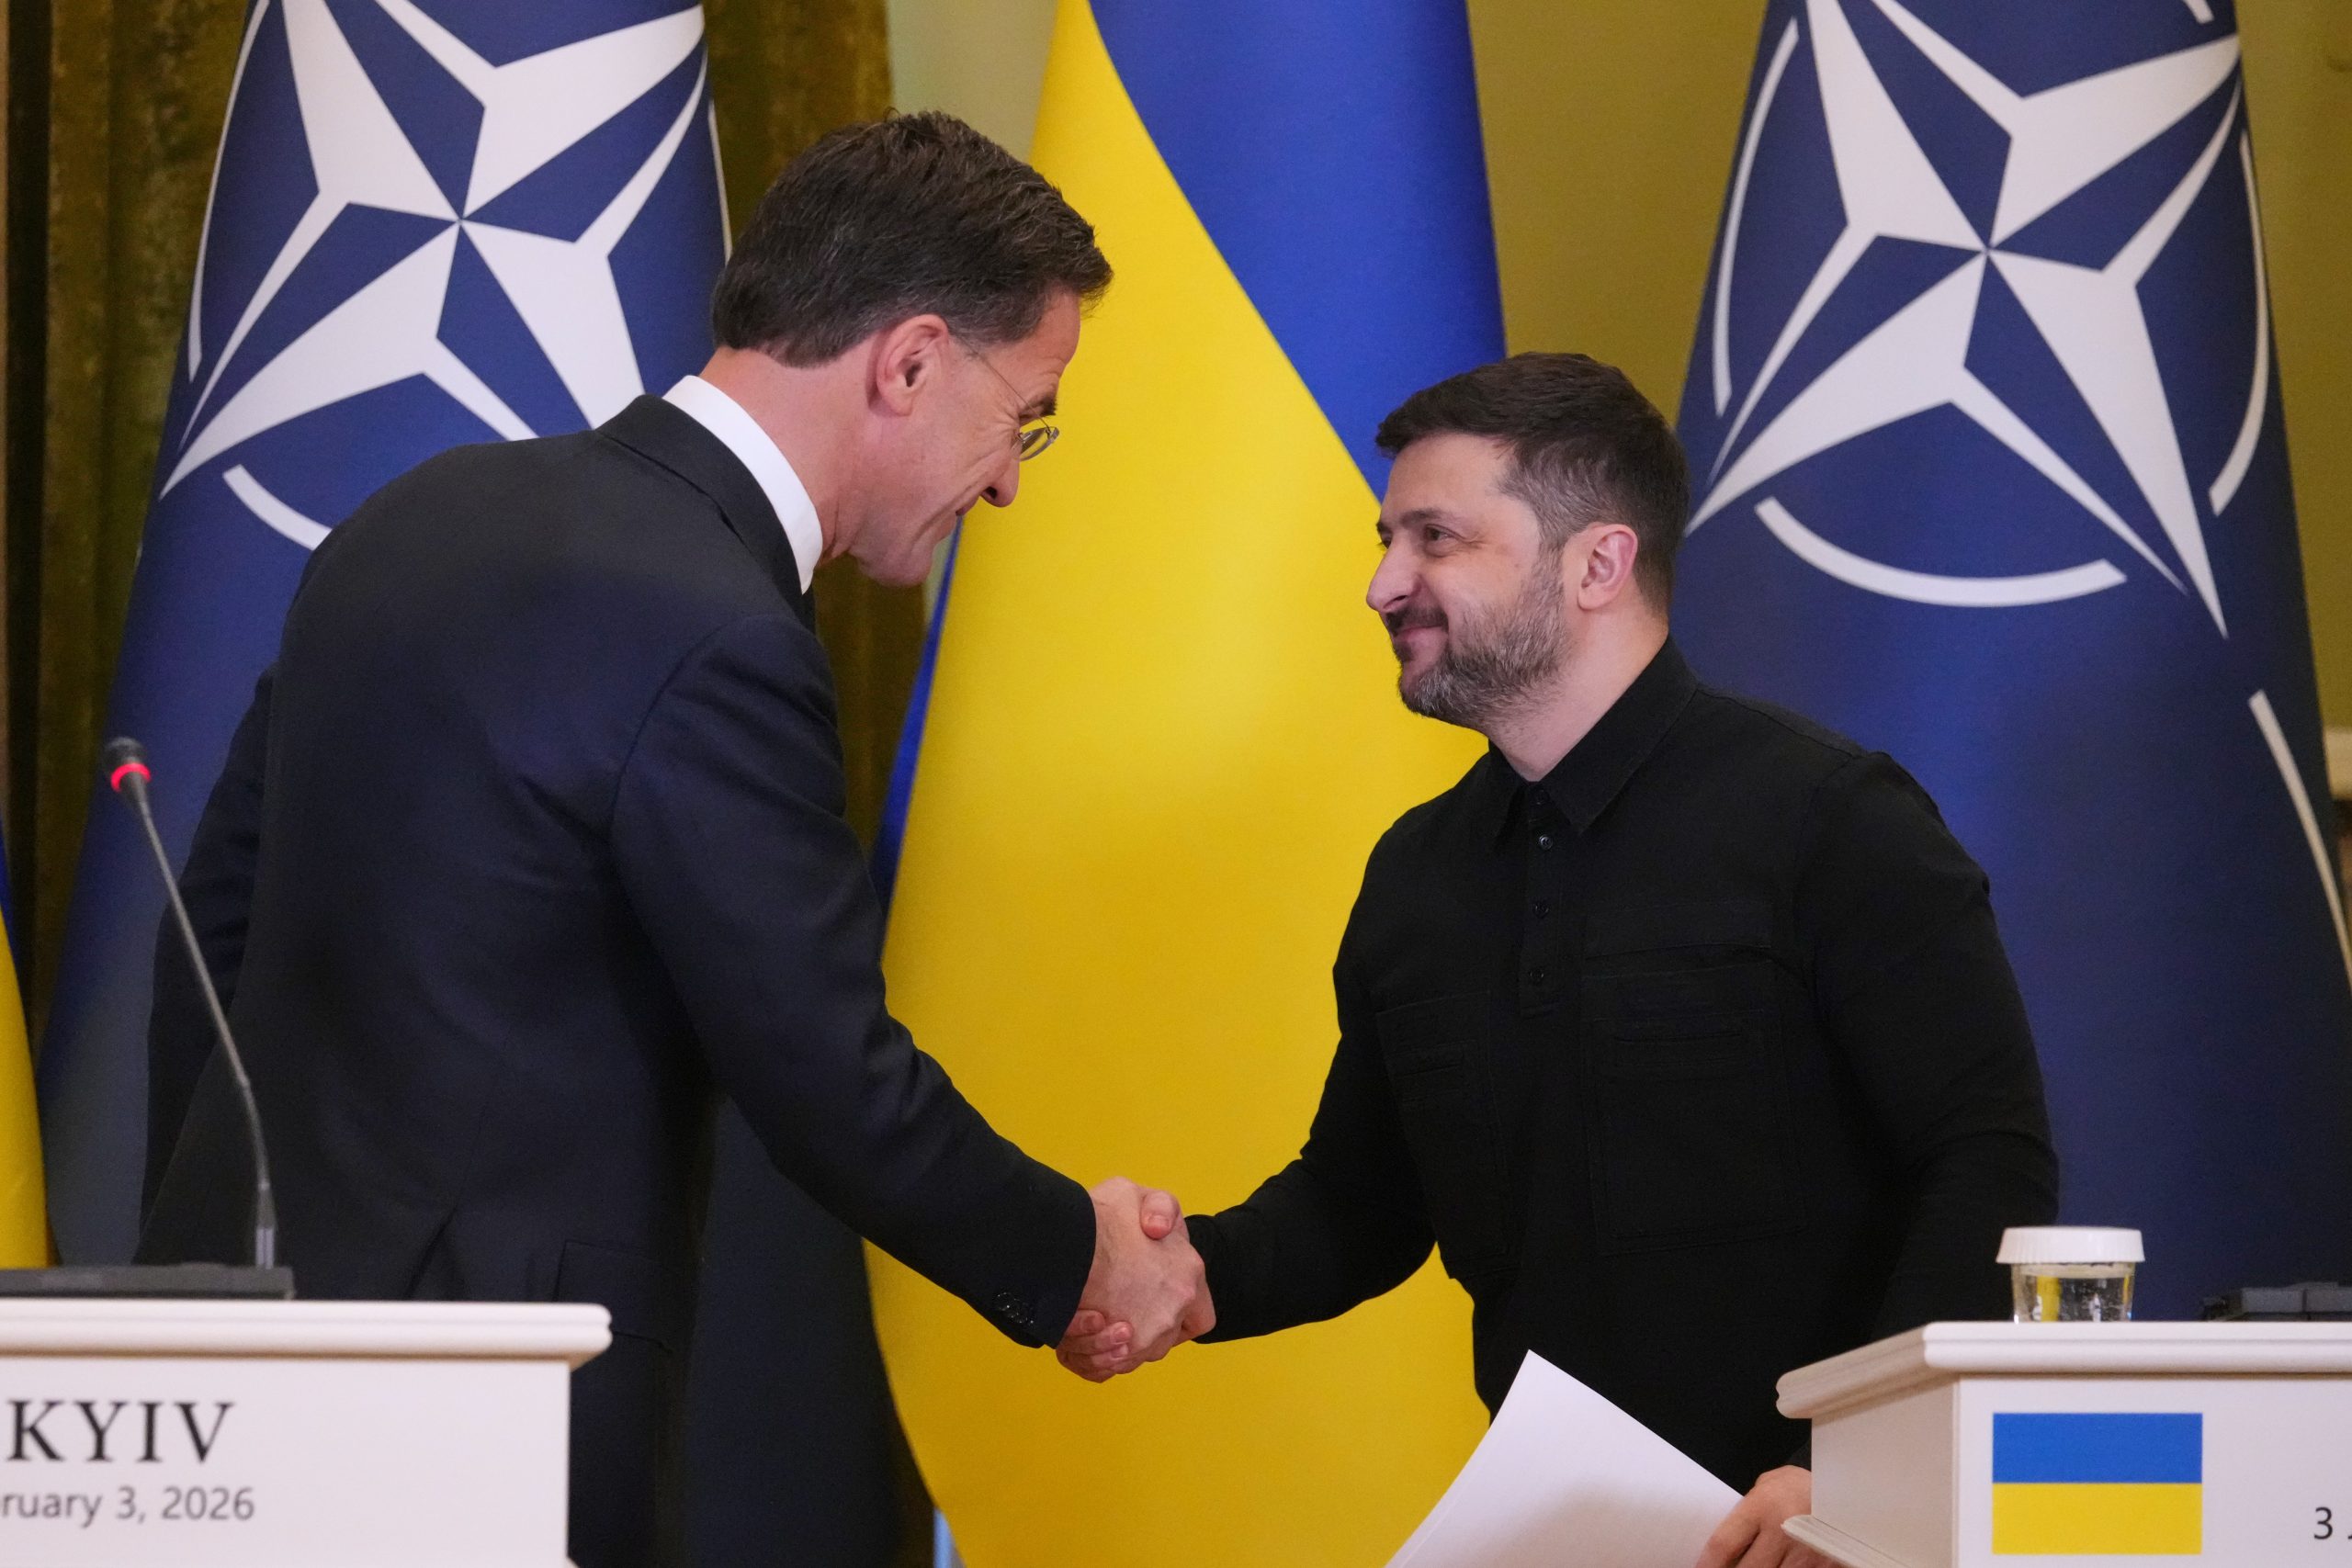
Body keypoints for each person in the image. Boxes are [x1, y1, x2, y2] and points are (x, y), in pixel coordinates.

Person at [139, 113, 1208, 1568]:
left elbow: (212, 930)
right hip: (485, 1410)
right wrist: (1075, 1257)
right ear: (908, 363)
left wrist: (208, 1270)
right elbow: (827, 1078)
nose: (1013, 479)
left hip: (213, 1383)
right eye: (1025, 417)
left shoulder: (411, 518)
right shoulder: (722, 633)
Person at [1059, 354, 2059, 1568]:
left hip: (1824, 1531)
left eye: (1435, 538)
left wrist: (1856, 1474)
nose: (1382, 584)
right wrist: (1186, 1274)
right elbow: (1359, 1206)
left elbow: (1986, 1160)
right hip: (1562, 1536)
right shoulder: (1418, 874)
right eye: (1387, 539)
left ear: (1598, 564)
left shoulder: (1831, 819)